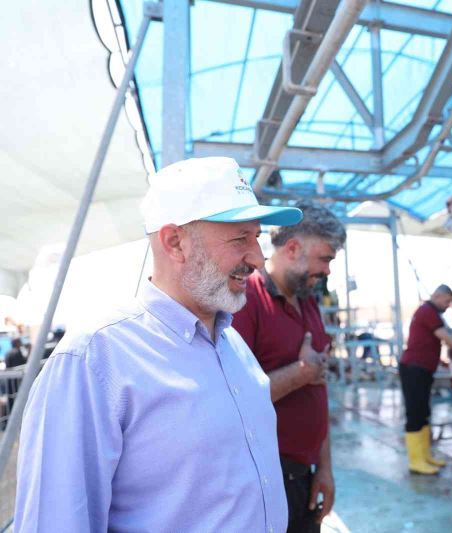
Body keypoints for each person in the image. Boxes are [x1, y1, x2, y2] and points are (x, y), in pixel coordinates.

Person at [15, 157, 302, 532]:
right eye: (240, 238)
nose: (258, 259)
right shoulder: (95, 359)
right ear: (175, 243)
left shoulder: (233, 345)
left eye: (257, 237)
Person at [233, 201, 345, 533]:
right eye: (325, 258)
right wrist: (300, 373)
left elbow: (318, 390)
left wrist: (324, 468)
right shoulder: (246, 300)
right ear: (293, 249)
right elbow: (233, 400)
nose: (327, 271)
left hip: (304, 475)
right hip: (265, 480)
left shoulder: (308, 300)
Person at [399, 284, 452, 475]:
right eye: (447, 301)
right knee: (415, 413)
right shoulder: (428, 312)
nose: (448, 306)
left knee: (423, 412)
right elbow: (447, 338)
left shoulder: (430, 312)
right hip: (414, 369)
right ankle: (416, 461)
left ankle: (425, 455)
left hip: (422, 370)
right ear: (437, 296)